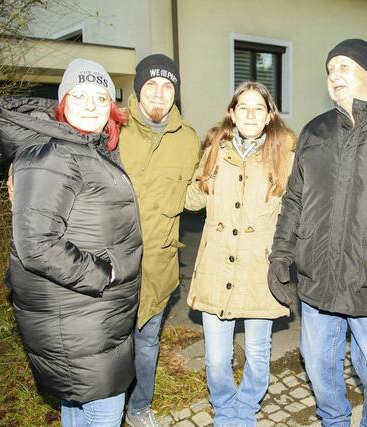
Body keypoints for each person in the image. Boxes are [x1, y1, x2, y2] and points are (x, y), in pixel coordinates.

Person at [268, 39, 367, 426]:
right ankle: (333, 420)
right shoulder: (315, 130)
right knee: (319, 369)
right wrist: (281, 254)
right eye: (329, 69)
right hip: (318, 280)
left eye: (343, 67)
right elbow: (295, 199)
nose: (333, 75)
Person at [0, 59, 142, 426]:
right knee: (104, 411)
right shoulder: (54, 155)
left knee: (77, 407)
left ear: (112, 107)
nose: (91, 106)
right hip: (79, 316)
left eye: (101, 97)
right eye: (80, 95)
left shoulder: (85, 147)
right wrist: (103, 275)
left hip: (88, 315)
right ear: (63, 102)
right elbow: (36, 244)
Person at [184, 81, 295, 426]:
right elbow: (191, 202)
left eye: (258, 108)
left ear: (269, 116)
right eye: (243, 107)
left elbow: (295, 213)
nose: (250, 114)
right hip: (217, 267)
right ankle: (224, 409)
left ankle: (245, 411)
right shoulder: (215, 151)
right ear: (232, 114)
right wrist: (204, 174)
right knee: (217, 358)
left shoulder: (285, 156)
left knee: (258, 353)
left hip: (259, 270)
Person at [121, 54, 201, 427]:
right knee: (109, 346)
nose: (159, 93)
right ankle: (106, 408)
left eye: (167, 86)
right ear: (138, 89)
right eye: (151, 84)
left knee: (147, 342)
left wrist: (215, 180)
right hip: (110, 268)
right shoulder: (113, 129)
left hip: (158, 265)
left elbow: (191, 198)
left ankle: (139, 408)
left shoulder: (188, 140)